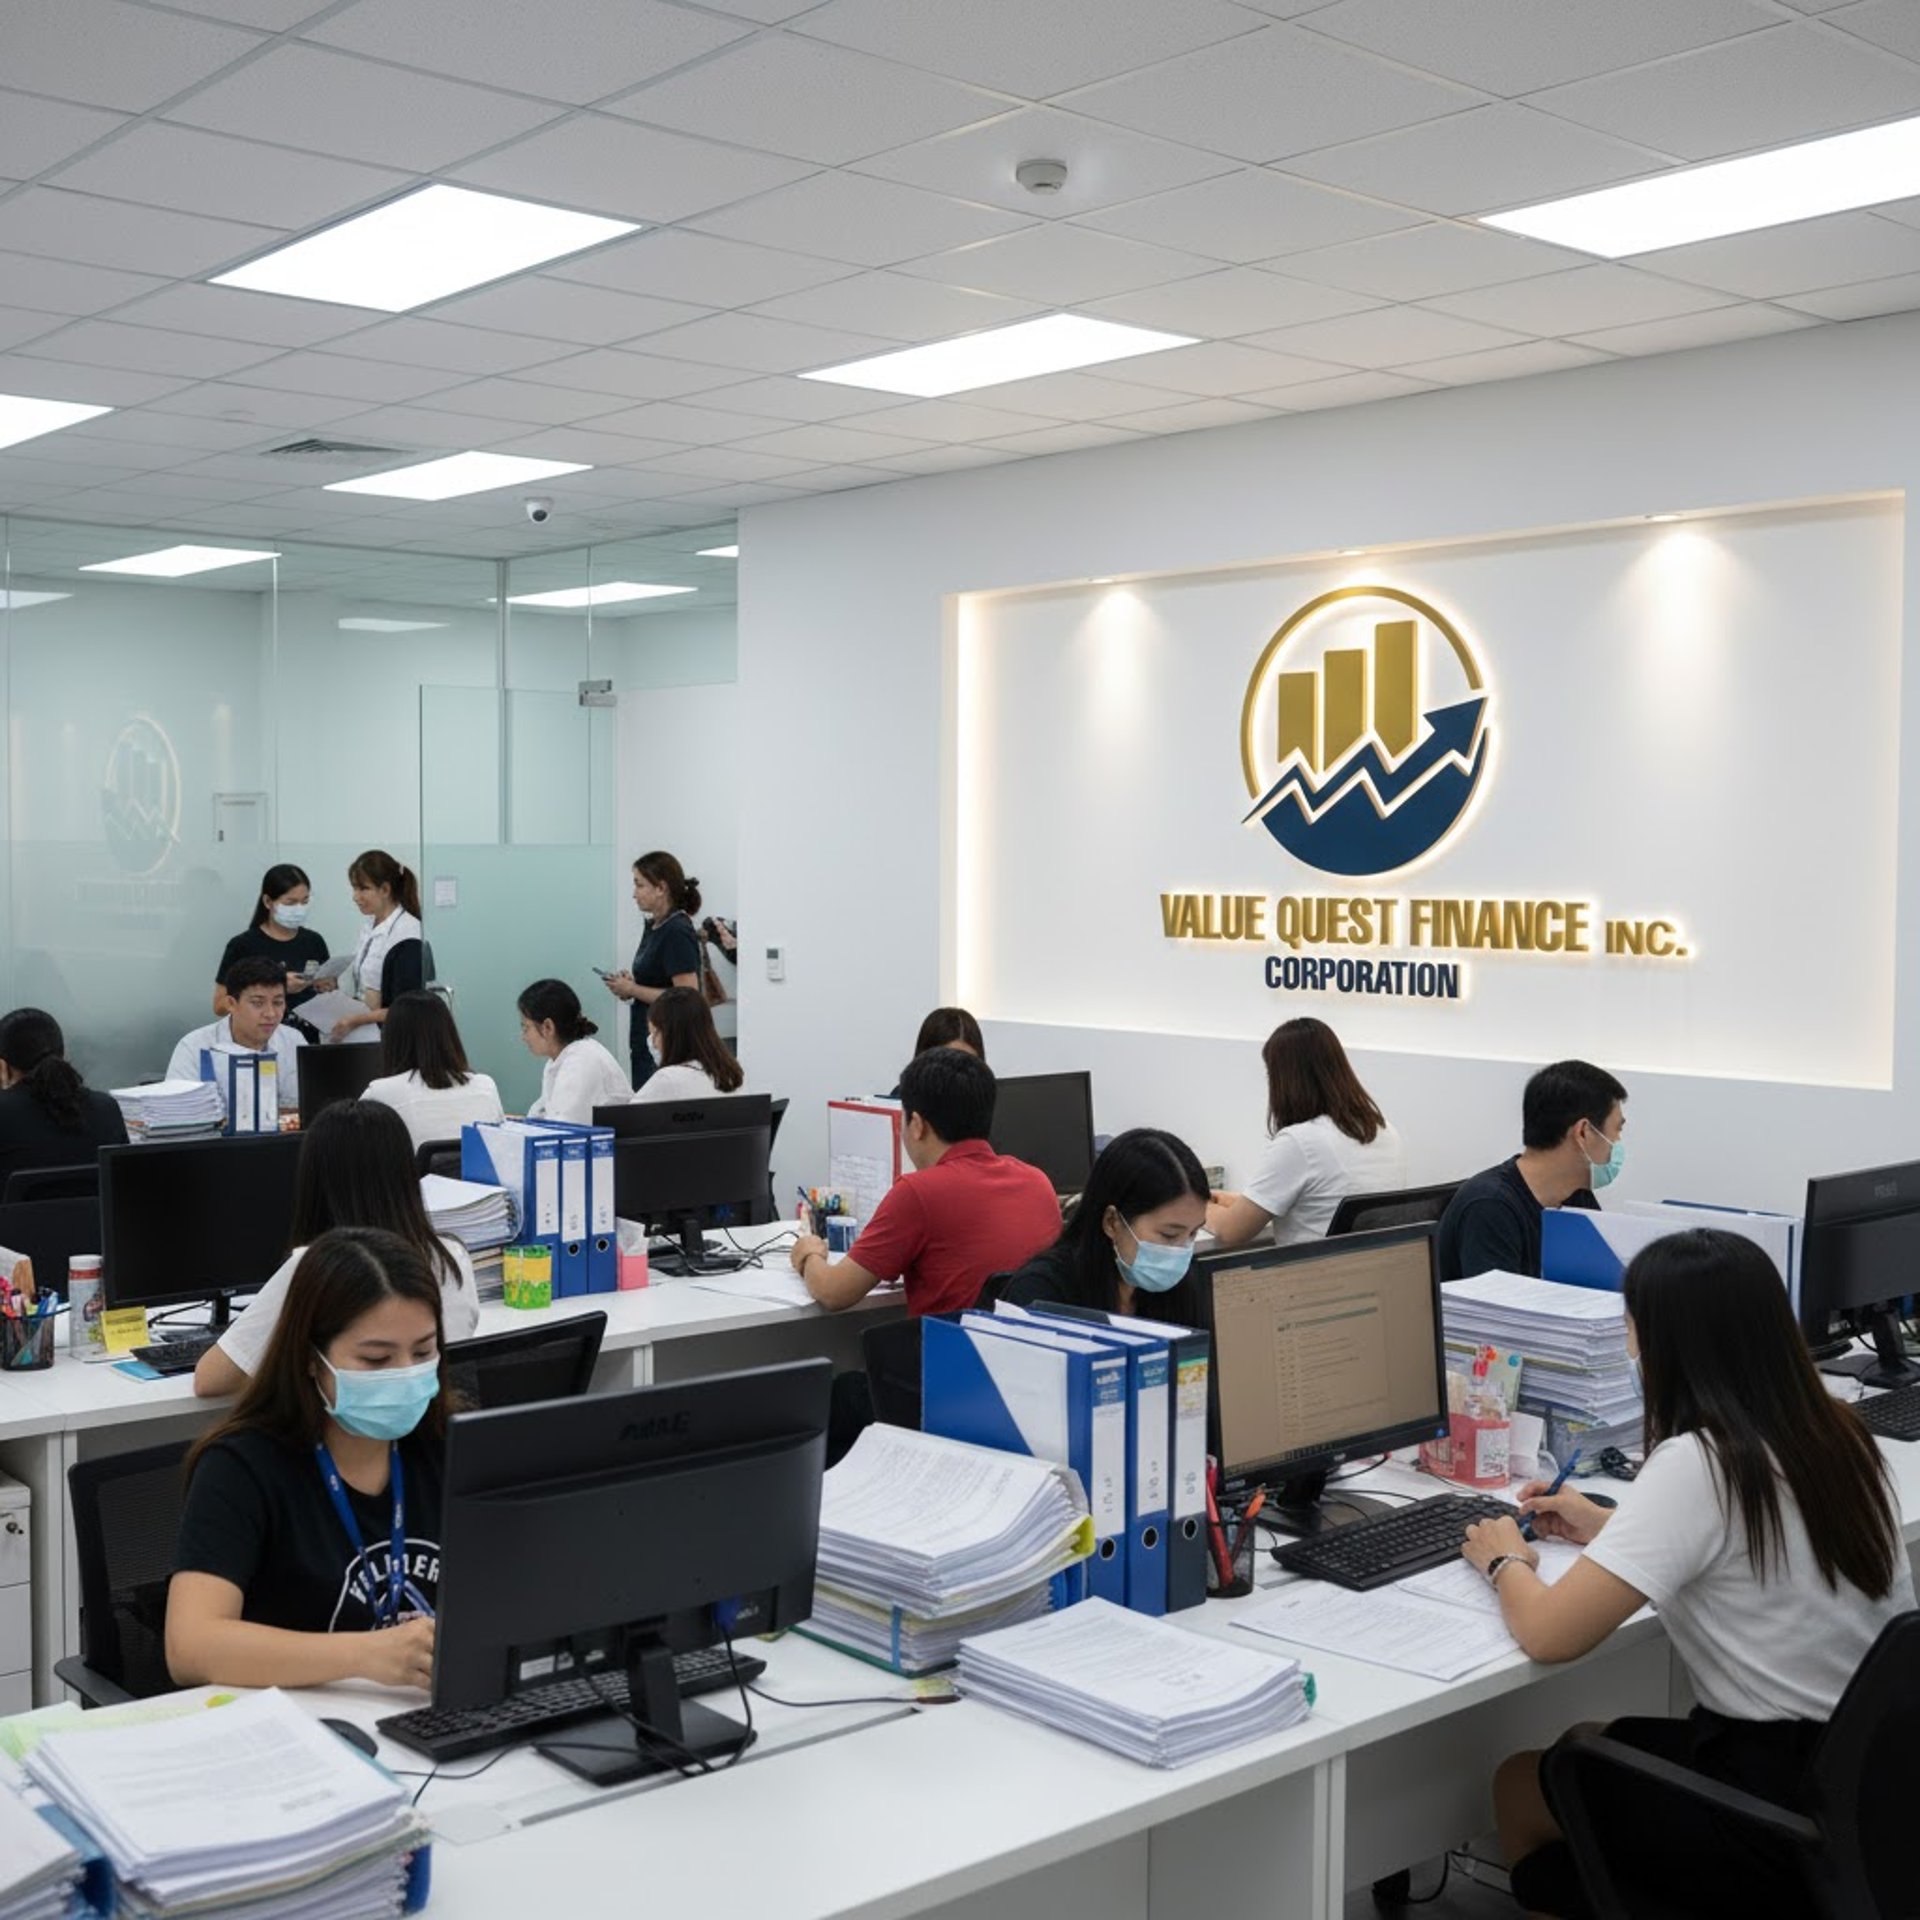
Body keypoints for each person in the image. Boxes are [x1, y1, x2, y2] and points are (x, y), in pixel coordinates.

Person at [1462, 1230, 1914, 1918]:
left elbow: (1551, 1634)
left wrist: (1505, 1559)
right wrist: (1610, 1527)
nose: (1631, 1348)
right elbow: (1753, 1549)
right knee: (1590, 1739)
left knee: (1524, 1783)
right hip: (1869, 1792)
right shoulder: (1836, 1433)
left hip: (1768, 1818)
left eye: (1633, 1329)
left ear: (1669, 1344)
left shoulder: (1700, 1462)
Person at [168, 1227, 449, 1690]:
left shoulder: (445, 1444)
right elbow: (190, 1647)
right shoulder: (242, 1466)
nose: (406, 1375)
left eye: (423, 1351)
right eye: (377, 1360)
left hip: (422, 1712)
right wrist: (366, 1655)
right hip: (293, 1725)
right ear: (311, 1358)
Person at [193, 1100, 479, 1398]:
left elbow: (210, 1380)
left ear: (315, 1183)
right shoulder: (452, 1258)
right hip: (436, 1435)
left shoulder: (317, 1267)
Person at [791, 1048, 1058, 1315]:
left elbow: (834, 1292)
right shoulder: (1039, 1183)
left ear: (917, 1124)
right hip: (1029, 1351)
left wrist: (810, 1254)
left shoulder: (918, 1193)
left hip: (950, 1351)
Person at [1206, 1019, 1407, 1249]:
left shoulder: (1300, 1142)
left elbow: (1231, 1231)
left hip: (1315, 1278)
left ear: (1285, 1080)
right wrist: (1241, 1202)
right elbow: (1324, 1202)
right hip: (1374, 1274)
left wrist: (1199, 1208)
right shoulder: (1385, 1131)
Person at [1435, 1059, 1625, 1283]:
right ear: (1583, 1132)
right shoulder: (1490, 1206)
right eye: (1617, 1130)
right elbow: (1500, 1313)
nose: (1618, 1141)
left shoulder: (1577, 1197)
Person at [998, 1128, 1209, 1322]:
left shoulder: (1181, 1291)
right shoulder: (1042, 1292)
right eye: (1169, 1235)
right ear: (1112, 1222)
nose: (1181, 1252)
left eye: (1193, 1234)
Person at [601, 852, 701, 1090]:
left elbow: (687, 995)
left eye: (639, 885)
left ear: (661, 888)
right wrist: (629, 987)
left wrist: (633, 989)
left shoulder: (676, 930)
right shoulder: (654, 926)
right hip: (645, 1035)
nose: (634, 894)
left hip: (668, 1040)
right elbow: (656, 980)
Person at [362, 993, 503, 1152]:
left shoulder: (381, 1093)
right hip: (475, 1177)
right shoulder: (485, 1086)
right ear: (449, 1034)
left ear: (392, 1038)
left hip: (412, 1177)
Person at [0, 1008, 126, 1184]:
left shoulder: (4, 1113)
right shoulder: (107, 1108)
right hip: (92, 1213)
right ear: (64, 1054)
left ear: (3, 1066)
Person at [166, 954, 305, 1106]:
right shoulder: (194, 1047)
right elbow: (178, 1112)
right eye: (258, 1003)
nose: (270, 1013)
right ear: (231, 1004)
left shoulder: (294, 1041)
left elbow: (308, 1106)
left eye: (278, 1003)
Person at [213, 863, 333, 1026]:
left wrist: (326, 987)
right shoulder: (243, 945)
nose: (299, 909)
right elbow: (220, 1006)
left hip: (309, 1039)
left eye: (304, 902)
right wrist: (278, 987)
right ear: (268, 901)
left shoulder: (314, 941)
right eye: (290, 903)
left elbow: (326, 995)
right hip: (261, 1039)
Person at [327, 850, 425, 1045]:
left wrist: (355, 1020)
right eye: (354, 888)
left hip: (393, 1038)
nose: (355, 897)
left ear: (385, 890)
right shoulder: (370, 924)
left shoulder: (408, 932)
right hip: (366, 1034)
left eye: (363, 889)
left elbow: (404, 1006)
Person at [520, 979, 630, 1123]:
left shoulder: (582, 1060)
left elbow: (563, 1129)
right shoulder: (558, 1061)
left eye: (526, 1027)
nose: (523, 1037)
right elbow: (542, 1114)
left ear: (548, 1027)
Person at [628, 986, 744, 1104]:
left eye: (655, 1033)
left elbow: (628, 1119)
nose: (653, 1043)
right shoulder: (731, 1075)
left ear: (672, 1035)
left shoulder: (668, 1079)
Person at [885, 1008, 985, 1097]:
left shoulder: (992, 1102)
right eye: (947, 1061)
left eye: (967, 1062)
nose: (957, 1072)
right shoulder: (903, 1097)